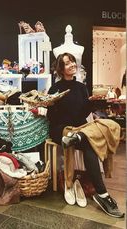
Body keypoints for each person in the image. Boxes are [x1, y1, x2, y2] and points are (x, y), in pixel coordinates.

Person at [47, 52, 124, 218]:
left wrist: (92, 103)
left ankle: (79, 137)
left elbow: (80, 115)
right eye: (67, 63)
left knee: (111, 124)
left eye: (73, 62)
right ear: (61, 69)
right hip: (61, 129)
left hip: (80, 128)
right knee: (89, 141)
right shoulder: (54, 89)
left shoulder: (81, 88)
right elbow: (52, 119)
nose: (72, 65)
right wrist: (50, 104)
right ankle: (102, 195)